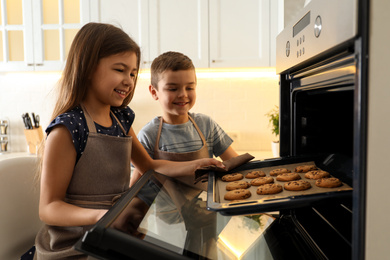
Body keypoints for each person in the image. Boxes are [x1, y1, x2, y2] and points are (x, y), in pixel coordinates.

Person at [33, 23, 224, 259]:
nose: (129, 80)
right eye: (120, 70)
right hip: (74, 246)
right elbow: (49, 208)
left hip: (112, 234)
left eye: (133, 73)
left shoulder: (120, 119)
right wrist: (100, 216)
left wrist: (196, 164)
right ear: (88, 67)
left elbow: (150, 166)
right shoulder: (68, 128)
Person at [131, 51, 238, 188]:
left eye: (189, 87)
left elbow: (234, 164)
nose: (183, 94)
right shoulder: (148, 135)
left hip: (208, 206)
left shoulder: (206, 125)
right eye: (173, 89)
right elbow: (136, 185)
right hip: (165, 209)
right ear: (154, 92)